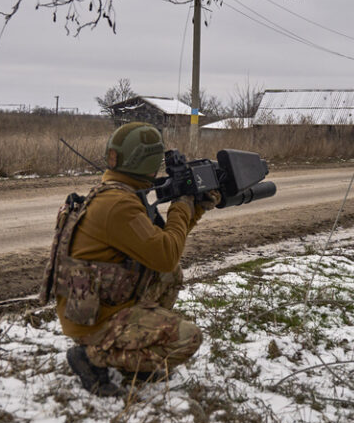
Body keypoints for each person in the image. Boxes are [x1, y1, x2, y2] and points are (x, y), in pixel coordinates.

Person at [39, 122, 220, 396]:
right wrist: (183, 204)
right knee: (187, 338)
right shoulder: (119, 205)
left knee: (170, 274)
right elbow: (166, 254)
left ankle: (131, 355)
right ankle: (93, 356)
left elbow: (162, 246)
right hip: (95, 321)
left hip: (95, 306)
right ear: (146, 161)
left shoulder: (115, 193)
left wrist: (194, 209)